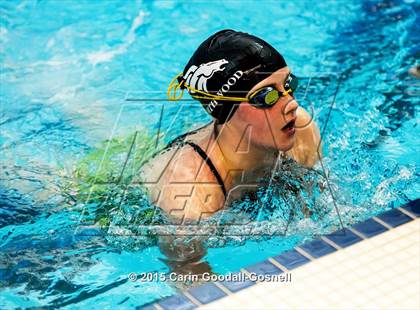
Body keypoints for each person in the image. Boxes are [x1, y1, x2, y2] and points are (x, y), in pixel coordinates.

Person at [141, 29, 321, 223]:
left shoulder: (301, 128)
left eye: (288, 84)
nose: (291, 104)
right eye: (265, 96)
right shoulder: (188, 192)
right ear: (226, 110)